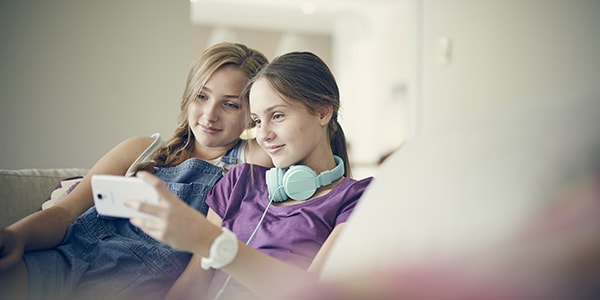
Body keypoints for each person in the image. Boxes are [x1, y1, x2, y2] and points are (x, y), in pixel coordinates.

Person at [0, 42, 271, 300]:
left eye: (230, 104)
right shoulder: (141, 149)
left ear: (252, 114)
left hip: (132, 284)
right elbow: (64, 213)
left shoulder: (248, 161)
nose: (210, 114)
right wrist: (17, 236)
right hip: (64, 259)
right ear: (188, 96)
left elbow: (302, 136)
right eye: (201, 96)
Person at [127, 51, 374, 299]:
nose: (263, 134)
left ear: (322, 112)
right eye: (256, 121)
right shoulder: (239, 182)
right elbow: (192, 285)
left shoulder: (359, 199)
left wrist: (212, 242)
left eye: (277, 116)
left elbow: (314, 294)